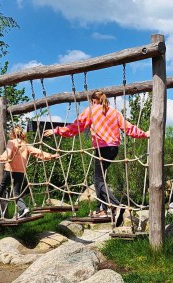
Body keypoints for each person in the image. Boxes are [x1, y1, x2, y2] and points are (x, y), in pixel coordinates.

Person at [44, 90, 149, 226]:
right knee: (101, 178)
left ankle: (116, 205)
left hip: (101, 149)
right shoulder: (113, 112)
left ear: (93, 101)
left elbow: (76, 127)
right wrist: (144, 134)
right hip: (114, 149)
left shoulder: (92, 110)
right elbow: (127, 127)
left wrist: (56, 130)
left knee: (97, 180)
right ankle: (102, 209)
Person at [0, 125, 58, 219]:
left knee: (2, 186)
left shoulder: (11, 142)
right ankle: (23, 209)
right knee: (16, 192)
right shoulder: (26, 144)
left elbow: (8, 153)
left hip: (10, 170)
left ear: (12, 134)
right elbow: (38, 152)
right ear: (22, 134)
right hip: (20, 172)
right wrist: (51, 156)